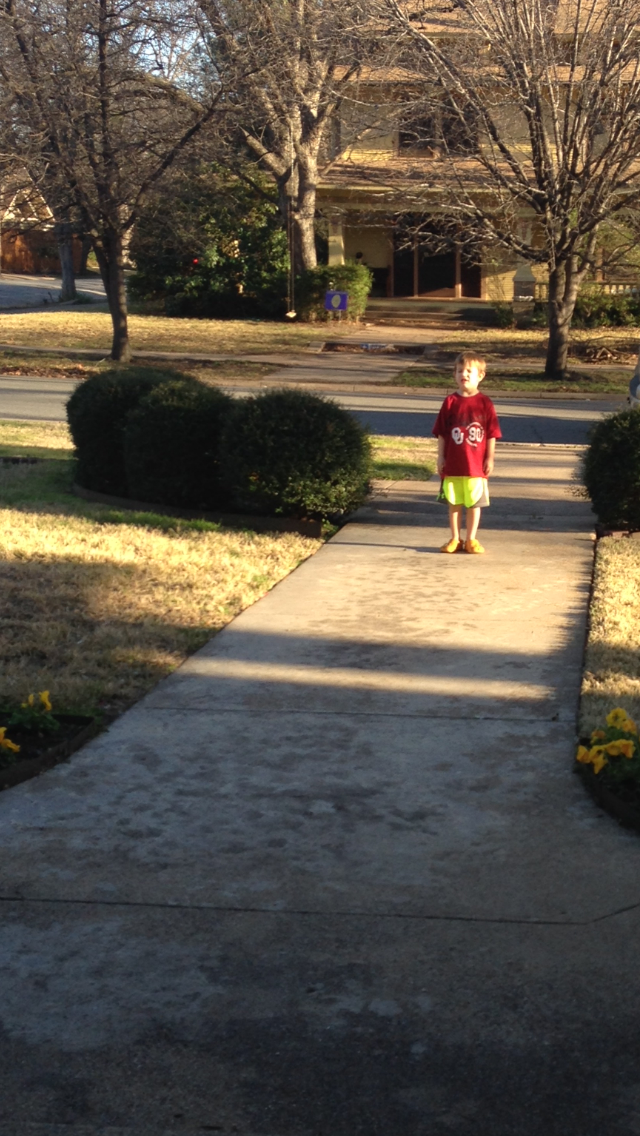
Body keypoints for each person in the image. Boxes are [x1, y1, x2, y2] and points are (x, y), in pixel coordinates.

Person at [432, 350, 502, 554]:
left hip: (475, 467)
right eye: (459, 370)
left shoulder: (485, 403)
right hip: (453, 465)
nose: (464, 374)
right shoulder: (450, 402)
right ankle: (455, 538)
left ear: (480, 376)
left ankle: (471, 539)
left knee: (474, 504)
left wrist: (490, 458)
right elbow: (442, 433)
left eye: (469, 371)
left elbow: (491, 434)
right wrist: (441, 457)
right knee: (454, 503)